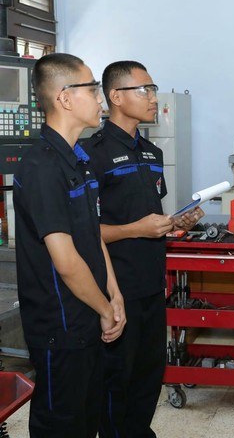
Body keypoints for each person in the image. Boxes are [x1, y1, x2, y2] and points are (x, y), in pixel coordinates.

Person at [83, 61, 203, 438]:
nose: (154, 99)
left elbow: (153, 217)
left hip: (153, 281)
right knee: (117, 376)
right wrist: (138, 228)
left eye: (154, 90)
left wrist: (175, 223)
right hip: (115, 287)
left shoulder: (151, 152)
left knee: (150, 372)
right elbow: (83, 232)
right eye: (145, 90)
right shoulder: (91, 155)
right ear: (116, 97)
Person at [13, 53, 126, 437]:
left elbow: (92, 233)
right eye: (92, 89)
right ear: (64, 98)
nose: (100, 100)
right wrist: (104, 308)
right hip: (60, 326)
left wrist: (114, 294)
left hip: (90, 315)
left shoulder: (80, 159)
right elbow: (65, 260)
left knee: (87, 418)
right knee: (62, 424)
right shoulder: (41, 167)